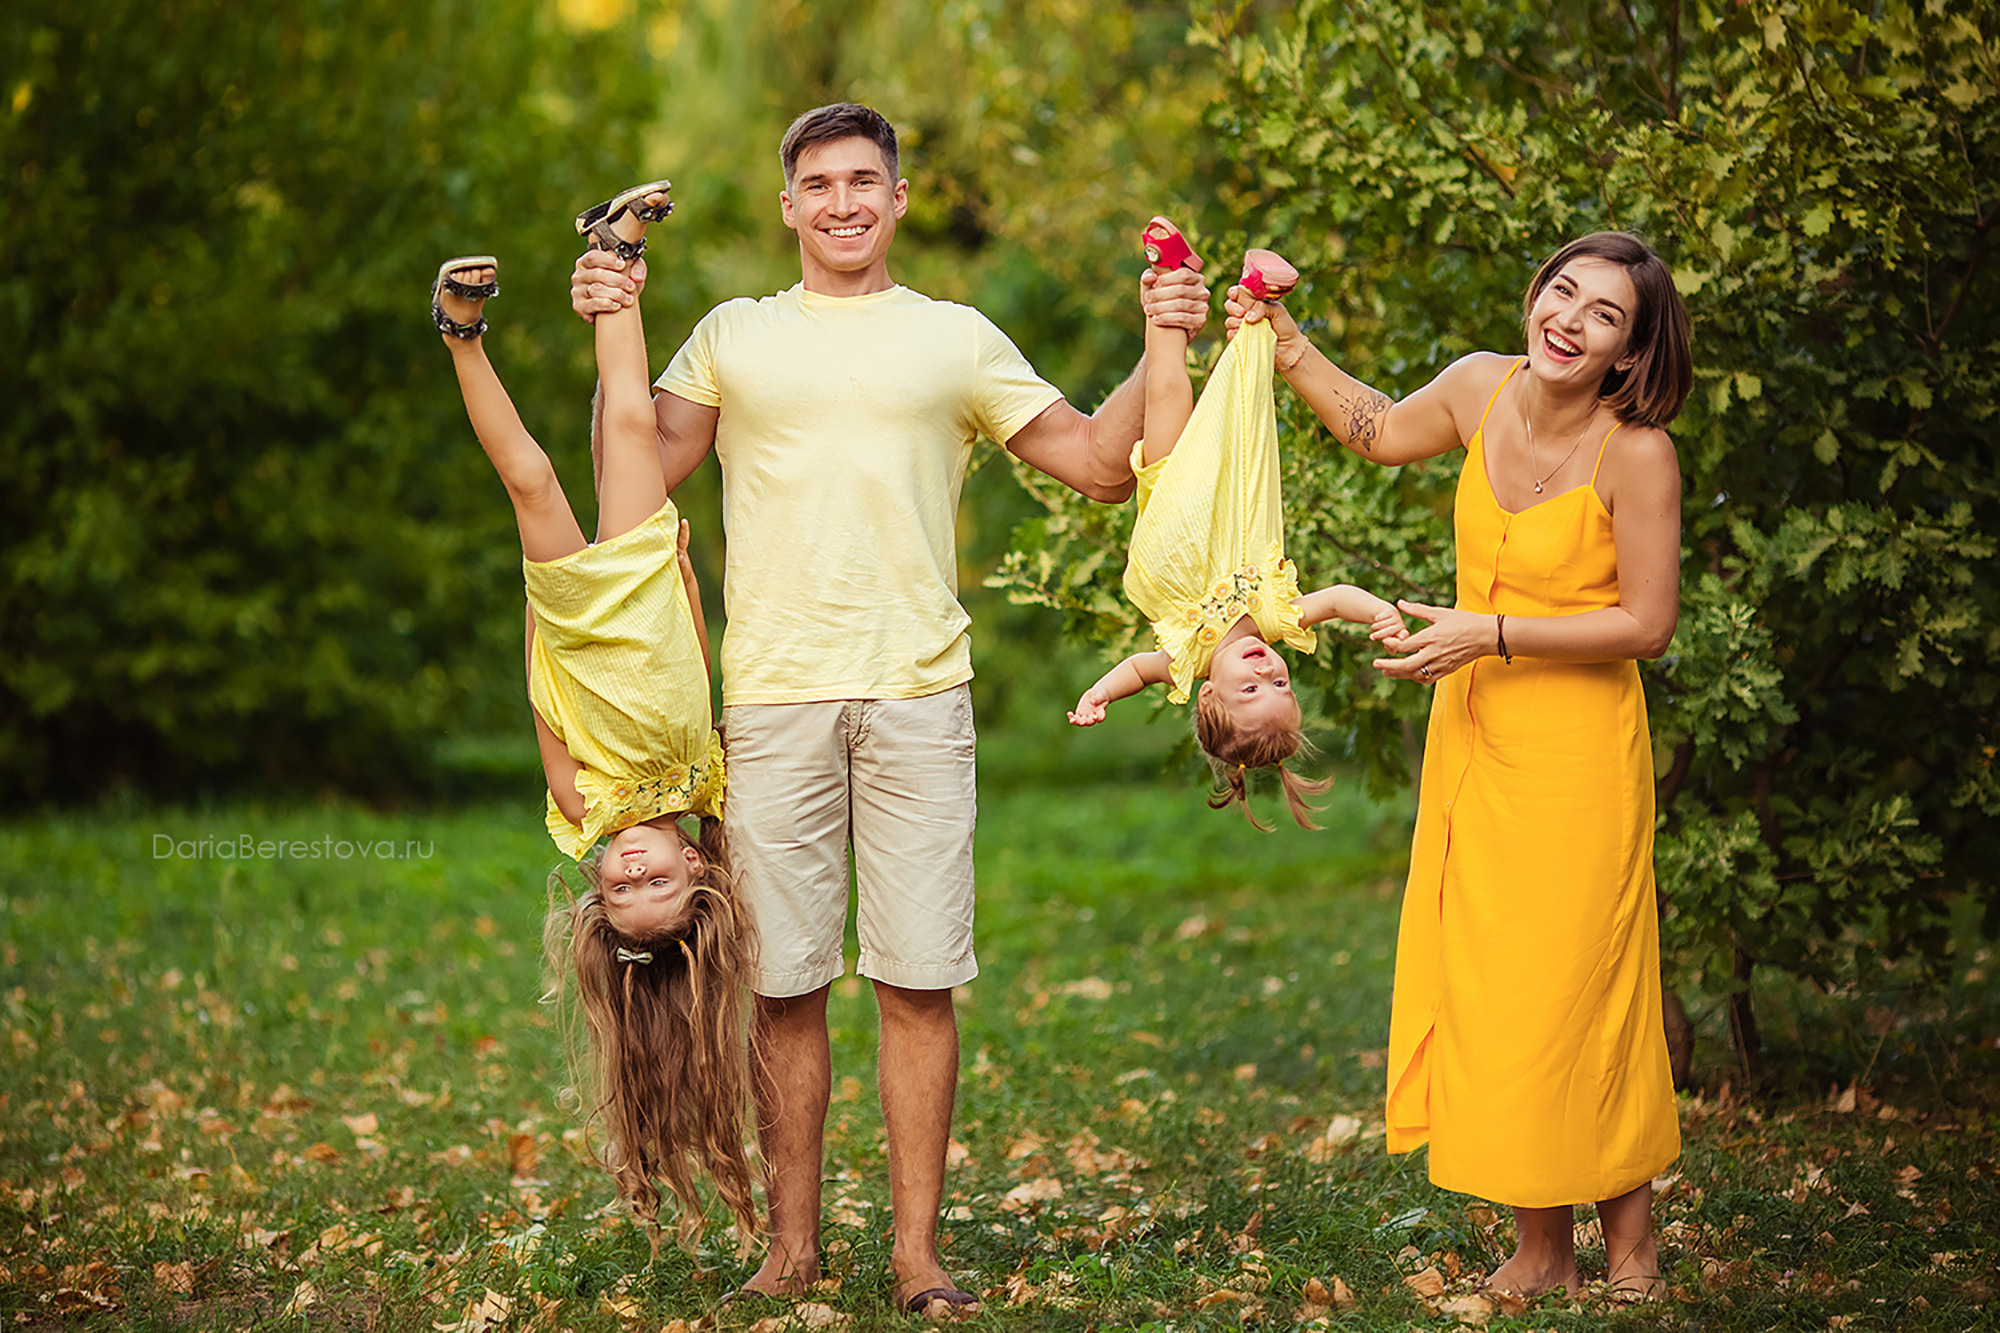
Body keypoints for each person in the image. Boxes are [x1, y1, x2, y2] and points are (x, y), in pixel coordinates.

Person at [568, 105, 1211, 1315]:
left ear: (899, 199)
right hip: (769, 699)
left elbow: (1087, 458)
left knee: (917, 979)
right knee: (785, 985)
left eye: (865, 181)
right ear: (789, 208)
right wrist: (616, 321)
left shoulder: (953, 339)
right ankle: (793, 1247)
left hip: (920, 692)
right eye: (820, 184)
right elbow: (635, 475)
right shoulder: (732, 336)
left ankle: (916, 1253)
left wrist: (1154, 341)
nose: (844, 202)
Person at [1226, 231, 1691, 1300]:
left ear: (1626, 352)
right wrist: (1284, 337)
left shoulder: (1636, 452)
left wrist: (1491, 632)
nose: (1567, 320)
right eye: (1560, 292)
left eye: (1602, 314)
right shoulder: (1481, 387)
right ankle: (1541, 1247)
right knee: (1495, 990)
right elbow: (1378, 428)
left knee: (1585, 990)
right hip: (1475, 737)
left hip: (1576, 749)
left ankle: (1631, 1251)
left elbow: (1647, 622)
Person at [431, 183, 757, 1249]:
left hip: (573, 625)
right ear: (695, 875)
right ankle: (614, 251)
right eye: (653, 882)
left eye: (618, 891)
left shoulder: (580, 815)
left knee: (527, 477)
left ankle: (459, 332)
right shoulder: (710, 795)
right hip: (650, 598)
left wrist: (541, 612)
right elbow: (701, 675)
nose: (628, 871)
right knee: (627, 418)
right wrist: (687, 579)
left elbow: (545, 716)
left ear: (595, 896)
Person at [1068, 220, 1406, 829]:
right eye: (1282, 686)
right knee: (1248, 405)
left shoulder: (1185, 659)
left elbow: (1137, 672)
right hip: (1234, 489)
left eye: (1252, 690)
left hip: (1173, 501)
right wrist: (1377, 609)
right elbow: (1333, 601)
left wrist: (1099, 694)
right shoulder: (1277, 619)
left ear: (1208, 695)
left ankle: (1170, 274)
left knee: (1167, 386)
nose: (1267, 673)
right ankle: (1256, 304)